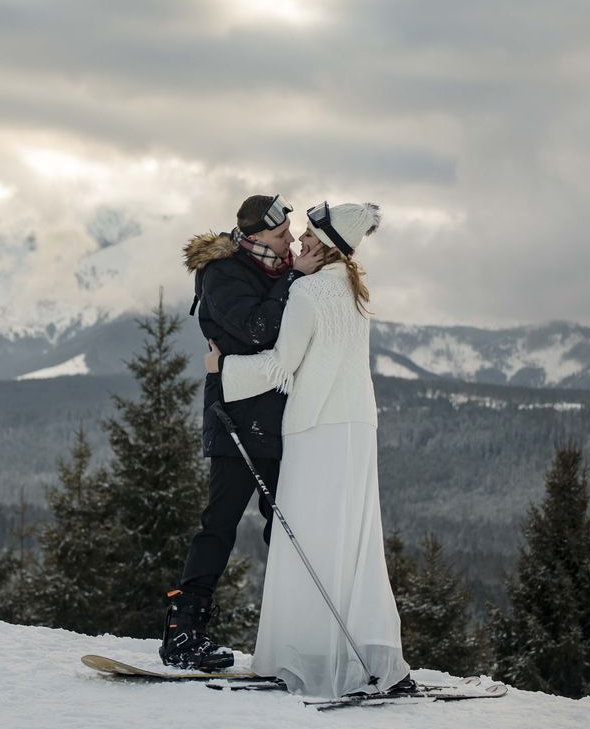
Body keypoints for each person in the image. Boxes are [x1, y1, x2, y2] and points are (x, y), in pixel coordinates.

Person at [207, 201, 411, 698]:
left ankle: (302, 655)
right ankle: (362, 656)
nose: (300, 241)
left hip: (315, 428)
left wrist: (223, 368)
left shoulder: (307, 290)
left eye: (309, 235)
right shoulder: (355, 291)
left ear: (327, 245)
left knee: (307, 540)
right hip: (357, 429)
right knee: (354, 543)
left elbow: (282, 365)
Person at [160, 195, 324, 670]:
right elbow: (257, 330)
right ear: (254, 237)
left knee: (285, 525)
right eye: (280, 234)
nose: (290, 241)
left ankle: (296, 632)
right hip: (235, 414)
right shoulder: (224, 273)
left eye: (289, 232)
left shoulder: (276, 271)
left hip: (279, 417)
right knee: (220, 522)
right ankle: (183, 632)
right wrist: (295, 279)